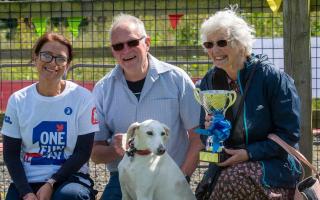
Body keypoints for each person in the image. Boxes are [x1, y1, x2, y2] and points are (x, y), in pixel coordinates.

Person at [91, 13, 203, 200]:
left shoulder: (177, 79)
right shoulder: (102, 89)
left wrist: (181, 178)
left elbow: (198, 137)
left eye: (133, 42)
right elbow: (95, 153)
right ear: (113, 51)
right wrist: (115, 149)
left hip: (169, 177)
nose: (126, 50)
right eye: (118, 46)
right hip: (123, 178)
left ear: (147, 43)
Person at [196, 8, 301, 200]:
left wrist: (248, 153)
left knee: (232, 181)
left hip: (274, 165)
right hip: (227, 164)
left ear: (241, 44)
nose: (214, 50)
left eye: (222, 42)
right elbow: (204, 134)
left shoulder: (273, 78)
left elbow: (289, 134)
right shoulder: (208, 81)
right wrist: (210, 132)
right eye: (209, 44)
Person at [1, 32, 99, 200]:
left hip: (70, 178)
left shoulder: (83, 98)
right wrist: (26, 192)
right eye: (46, 55)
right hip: (28, 180)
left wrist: (51, 183)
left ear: (67, 64)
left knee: (68, 196)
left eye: (60, 58)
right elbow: (10, 154)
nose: (52, 63)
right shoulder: (18, 100)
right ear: (35, 58)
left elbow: (83, 152)